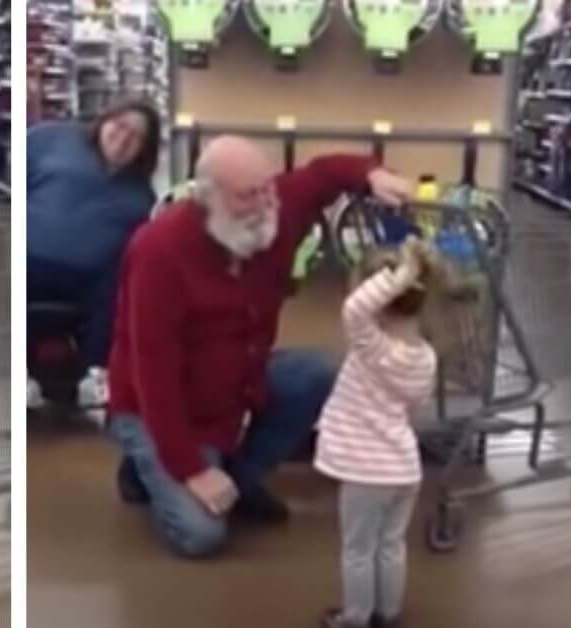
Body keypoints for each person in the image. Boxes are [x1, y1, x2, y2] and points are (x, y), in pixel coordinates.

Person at [106, 135, 415, 558]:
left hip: (233, 382)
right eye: (247, 195)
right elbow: (152, 375)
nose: (266, 203)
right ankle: (150, 467)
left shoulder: (275, 210)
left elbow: (322, 174)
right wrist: (190, 469)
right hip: (156, 405)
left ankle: (236, 479)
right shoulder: (158, 252)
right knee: (202, 535)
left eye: (267, 187)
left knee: (317, 372)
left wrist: (372, 173)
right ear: (207, 197)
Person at [318, 238, 460, 628]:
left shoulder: (374, 349)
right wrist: (406, 278)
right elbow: (413, 407)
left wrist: (400, 275)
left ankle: (356, 617)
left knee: (358, 550)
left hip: (367, 472)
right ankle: (389, 612)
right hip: (403, 468)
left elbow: (354, 310)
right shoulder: (425, 357)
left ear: (381, 300)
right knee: (391, 545)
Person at [26, 100, 160, 408]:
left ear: (145, 150)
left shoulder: (141, 196)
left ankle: (96, 373)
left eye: (136, 136)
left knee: (124, 284)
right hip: (30, 258)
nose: (124, 138)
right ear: (103, 121)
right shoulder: (50, 138)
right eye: (120, 125)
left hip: (92, 278)